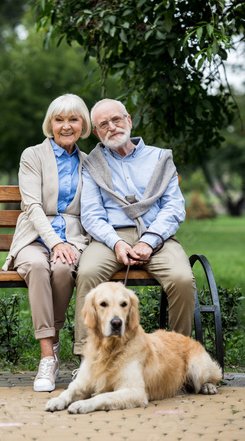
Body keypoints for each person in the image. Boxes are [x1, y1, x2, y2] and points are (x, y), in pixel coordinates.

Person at [73, 98, 195, 358]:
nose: (112, 127)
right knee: (88, 272)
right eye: (103, 124)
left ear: (128, 120)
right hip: (110, 236)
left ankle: (179, 358)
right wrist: (116, 242)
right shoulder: (92, 164)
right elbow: (92, 214)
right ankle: (87, 357)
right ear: (96, 132)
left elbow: (174, 208)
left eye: (116, 119)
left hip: (156, 236)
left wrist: (148, 241)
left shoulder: (160, 158)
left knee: (183, 280)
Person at [2, 93, 91, 391]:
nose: (66, 126)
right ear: (50, 123)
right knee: (39, 268)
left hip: (74, 239)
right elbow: (32, 206)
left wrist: (67, 245)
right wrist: (54, 243)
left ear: (84, 125)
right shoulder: (32, 155)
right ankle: (48, 357)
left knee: (65, 270)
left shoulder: (89, 162)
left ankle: (52, 341)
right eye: (59, 119)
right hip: (33, 237)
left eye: (73, 119)